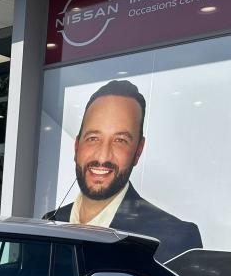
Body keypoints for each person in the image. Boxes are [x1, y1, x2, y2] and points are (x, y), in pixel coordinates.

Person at [44, 80, 202, 263]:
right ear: (77, 145)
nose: (103, 156)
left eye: (120, 140)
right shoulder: (50, 221)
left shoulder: (175, 241)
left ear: (138, 151)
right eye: (93, 138)